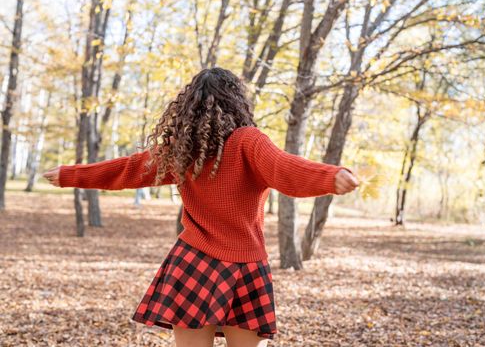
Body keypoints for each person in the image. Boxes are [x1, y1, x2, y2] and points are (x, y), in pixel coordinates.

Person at [43, 67, 359, 347]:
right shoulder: (247, 140)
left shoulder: (183, 150)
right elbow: (284, 168)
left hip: (193, 264)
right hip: (244, 266)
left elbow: (125, 169)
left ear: (189, 108)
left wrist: (69, 174)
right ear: (237, 102)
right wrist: (331, 177)